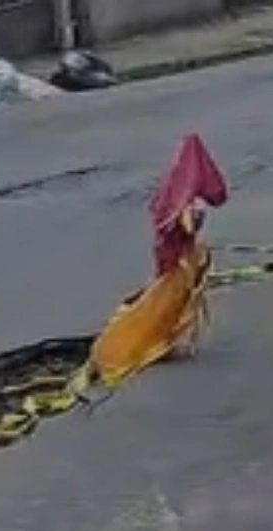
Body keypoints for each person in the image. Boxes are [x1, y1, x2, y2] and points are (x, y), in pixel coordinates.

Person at [86, 134, 229, 389]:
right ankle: (136, 347)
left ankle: (150, 342)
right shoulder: (185, 201)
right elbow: (187, 227)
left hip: (169, 255)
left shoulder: (172, 188)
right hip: (180, 260)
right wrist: (195, 218)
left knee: (161, 300)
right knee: (167, 305)